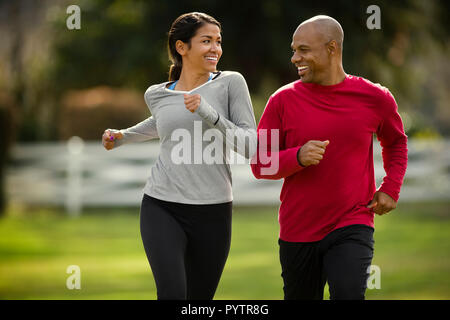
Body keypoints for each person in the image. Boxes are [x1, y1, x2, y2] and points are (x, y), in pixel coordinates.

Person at [250, 15, 408, 300]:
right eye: (294, 49)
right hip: (298, 229)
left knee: (348, 294)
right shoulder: (281, 101)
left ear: (332, 48)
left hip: (352, 222)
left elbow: (396, 142)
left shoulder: (376, 98)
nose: (295, 57)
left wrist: (391, 188)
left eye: (304, 50)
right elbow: (260, 164)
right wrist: (297, 156)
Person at [102, 12, 257, 300]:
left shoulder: (231, 83)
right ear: (181, 47)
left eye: (218, 42)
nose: (216, 49)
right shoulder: (156, 94)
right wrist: (123, 136)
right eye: (206, 41)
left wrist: (208, 113)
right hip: (161, 206)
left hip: (214, 211)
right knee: (172, 293)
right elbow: (162, 122)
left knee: (199, 300)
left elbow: (250, 146)